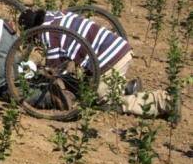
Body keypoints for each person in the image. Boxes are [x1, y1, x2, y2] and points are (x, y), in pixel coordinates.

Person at [17, 8, 172, 118]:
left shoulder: (47, 34)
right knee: (92, 83)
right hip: (119, 48)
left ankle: (163, 102)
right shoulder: (55, 15)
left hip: (110, 60)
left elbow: (56, 69)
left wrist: (38, 71)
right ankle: (127, 87)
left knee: (106, 102)